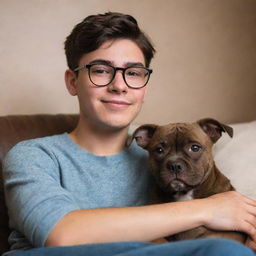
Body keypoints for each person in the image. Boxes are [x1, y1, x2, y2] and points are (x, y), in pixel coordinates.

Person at [2, 12, 256, 256]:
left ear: (144, 88)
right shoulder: (33, 155)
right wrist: (207, 210)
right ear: (72, 82)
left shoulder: (161, 151)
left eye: (133, 73)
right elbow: (62, 236)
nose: (119, 86)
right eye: (100, 70)